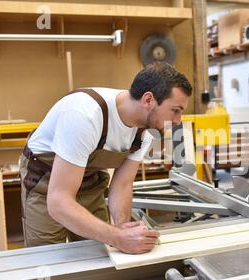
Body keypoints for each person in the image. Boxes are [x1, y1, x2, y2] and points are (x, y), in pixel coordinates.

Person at [19, 62, 192, 254]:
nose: (178, 120)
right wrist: (117, 238)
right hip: (45, 182)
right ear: (148, 100)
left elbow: (123, 184)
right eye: (175, 110)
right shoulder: (85, 115)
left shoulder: (147, 128)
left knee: (98, 254)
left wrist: (122, 228)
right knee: (48, 258)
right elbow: (58, 201)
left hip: (89, 181)